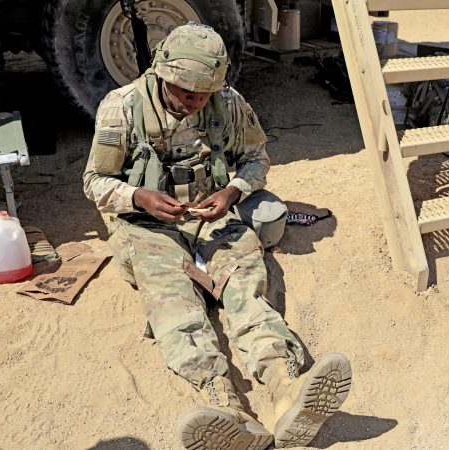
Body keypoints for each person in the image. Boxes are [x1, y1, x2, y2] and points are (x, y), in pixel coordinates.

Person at [83, 22, 351, 450]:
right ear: (162, 74)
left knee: (247, 286)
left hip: (213, 215)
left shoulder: (228, 101)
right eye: (187, 94)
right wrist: (139, 197)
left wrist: (232, 192)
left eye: (205, 94)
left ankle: (286, 389)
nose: (197, 103)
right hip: (150, 224)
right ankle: (224, 404)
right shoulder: (121, 107)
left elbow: (256, 159)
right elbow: (95, 181)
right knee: (173, 301)